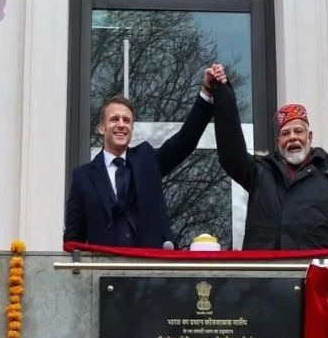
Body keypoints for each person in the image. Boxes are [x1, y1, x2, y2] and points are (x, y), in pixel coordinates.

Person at [209, 64, 328, 251]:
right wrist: (222, 94)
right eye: (286, 133)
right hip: (268, 279)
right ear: (279, 142)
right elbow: (231, 153)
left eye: (298, 131)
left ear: (309, 137)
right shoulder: (261, 172)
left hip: (321, 278)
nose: (292, 137)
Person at [63, 68, 221, 248]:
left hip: (151, 269)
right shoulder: (83, 177)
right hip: (104, 272)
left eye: (127, 120)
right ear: (102, 128)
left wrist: (207, 93)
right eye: (114, 119)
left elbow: (184, 141)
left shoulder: (146, 160)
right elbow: (73, 236)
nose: (121, 125)